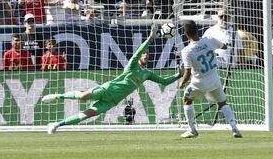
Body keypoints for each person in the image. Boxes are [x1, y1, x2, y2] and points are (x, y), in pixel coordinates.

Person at [42, 24, 183, 134]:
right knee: (83, 96)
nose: (146, 55)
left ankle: (56, 125)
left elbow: (164, 82)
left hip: (112, 101)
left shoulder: (147, 74)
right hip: (107, 89)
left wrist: (179, 74)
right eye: (144, 54)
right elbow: (137, 52)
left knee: (86, 115)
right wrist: (149, 39)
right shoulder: (132, 66)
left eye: (148, 54)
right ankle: (57, 96)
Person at [178, 20, 242, 138]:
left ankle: (192, 130)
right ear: (197, 30)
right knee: (223, 103)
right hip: (214, 80)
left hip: (199, 83)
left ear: (186, 34)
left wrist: (182, 83)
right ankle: (235, 129)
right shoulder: (209, 40)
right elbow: (224, 46)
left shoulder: (186, 51)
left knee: (187, 99)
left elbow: (187, 72)